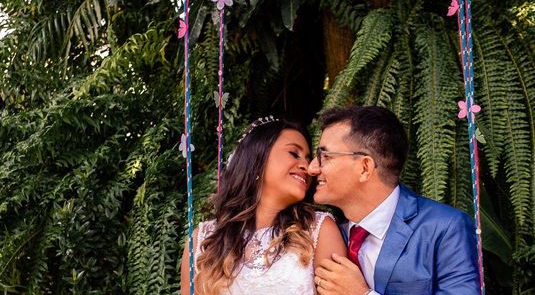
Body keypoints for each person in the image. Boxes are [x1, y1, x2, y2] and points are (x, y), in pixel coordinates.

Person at [309, 106, 480, 295]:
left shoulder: (445, 228)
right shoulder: (326, 231)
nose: (312, 168)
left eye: (324, 156)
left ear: (365, 167)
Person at [180, 117, 346, 295]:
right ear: (257, 157)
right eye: (294, 153)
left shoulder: (318, 230)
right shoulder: (204, 239)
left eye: (307, 158)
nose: (306, 166)